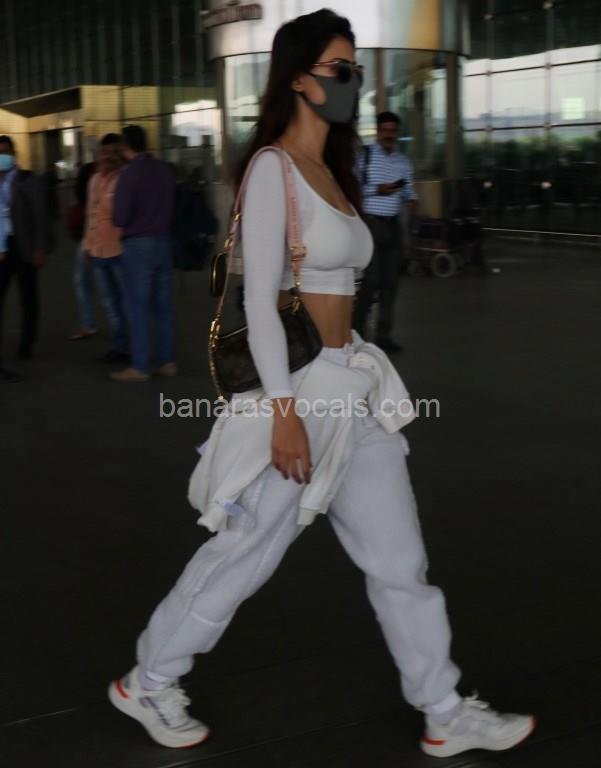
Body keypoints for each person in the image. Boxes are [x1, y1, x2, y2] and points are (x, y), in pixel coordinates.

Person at [107, 10, 535, 759]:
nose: (352, 82)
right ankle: (149, 679)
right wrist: (283, 412)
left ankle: (443, 709)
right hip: (300, 390)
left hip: (352, 383)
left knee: (400, 563)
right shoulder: (272, 169)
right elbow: (258, 301)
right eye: (340, 69)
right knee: (245, 552)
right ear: (299, 79)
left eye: (354, 70)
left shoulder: (333, 169)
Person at [111, 125, 177, 382]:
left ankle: (139, 366)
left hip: (138, 245)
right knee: (163, 306)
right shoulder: (164, 170)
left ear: (125, 146)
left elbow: (120, 216)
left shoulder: (129, 174)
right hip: (164, 241)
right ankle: (167, 361)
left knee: (137, 306)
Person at [352, 111, 418, 352]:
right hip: (370, 224)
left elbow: (408, 190)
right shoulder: (364, 156)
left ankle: (384, 335)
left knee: (391, 283)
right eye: (385, 130)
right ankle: (356, 333)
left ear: (397, 133)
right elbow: (353, 190)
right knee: (372, 280)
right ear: (378, 131)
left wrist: (412, 199)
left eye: (393, 131)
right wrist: (376, 191)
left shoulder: (403, 162)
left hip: (393, 226)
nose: (389, 135)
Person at [0, 135, 51, 382]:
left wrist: (40, 247)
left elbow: (40, 215)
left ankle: (27, 342)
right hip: (3, 247)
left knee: (28, 295)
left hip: (24, 245)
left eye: (5, 152)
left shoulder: (28, 179)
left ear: (14, 154)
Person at [82, 133, 129, 364]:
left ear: (120, 154)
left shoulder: (125, 179)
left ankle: (130, 347)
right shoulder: (94, 180)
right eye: (104, 152)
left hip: (119, 251)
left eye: (113, 152)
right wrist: (87, 245)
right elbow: (90, 215)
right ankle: (119, 347)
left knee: (126, 301)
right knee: (110, 302)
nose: (108, 157)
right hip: (99, 251)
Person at [68, 159, 99, 341]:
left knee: (84, 280)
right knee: (89, 281)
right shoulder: (94, 172)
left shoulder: (91, 173)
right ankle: (89, 323)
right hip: (91, 234)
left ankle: (89, 324)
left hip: (91, 234)